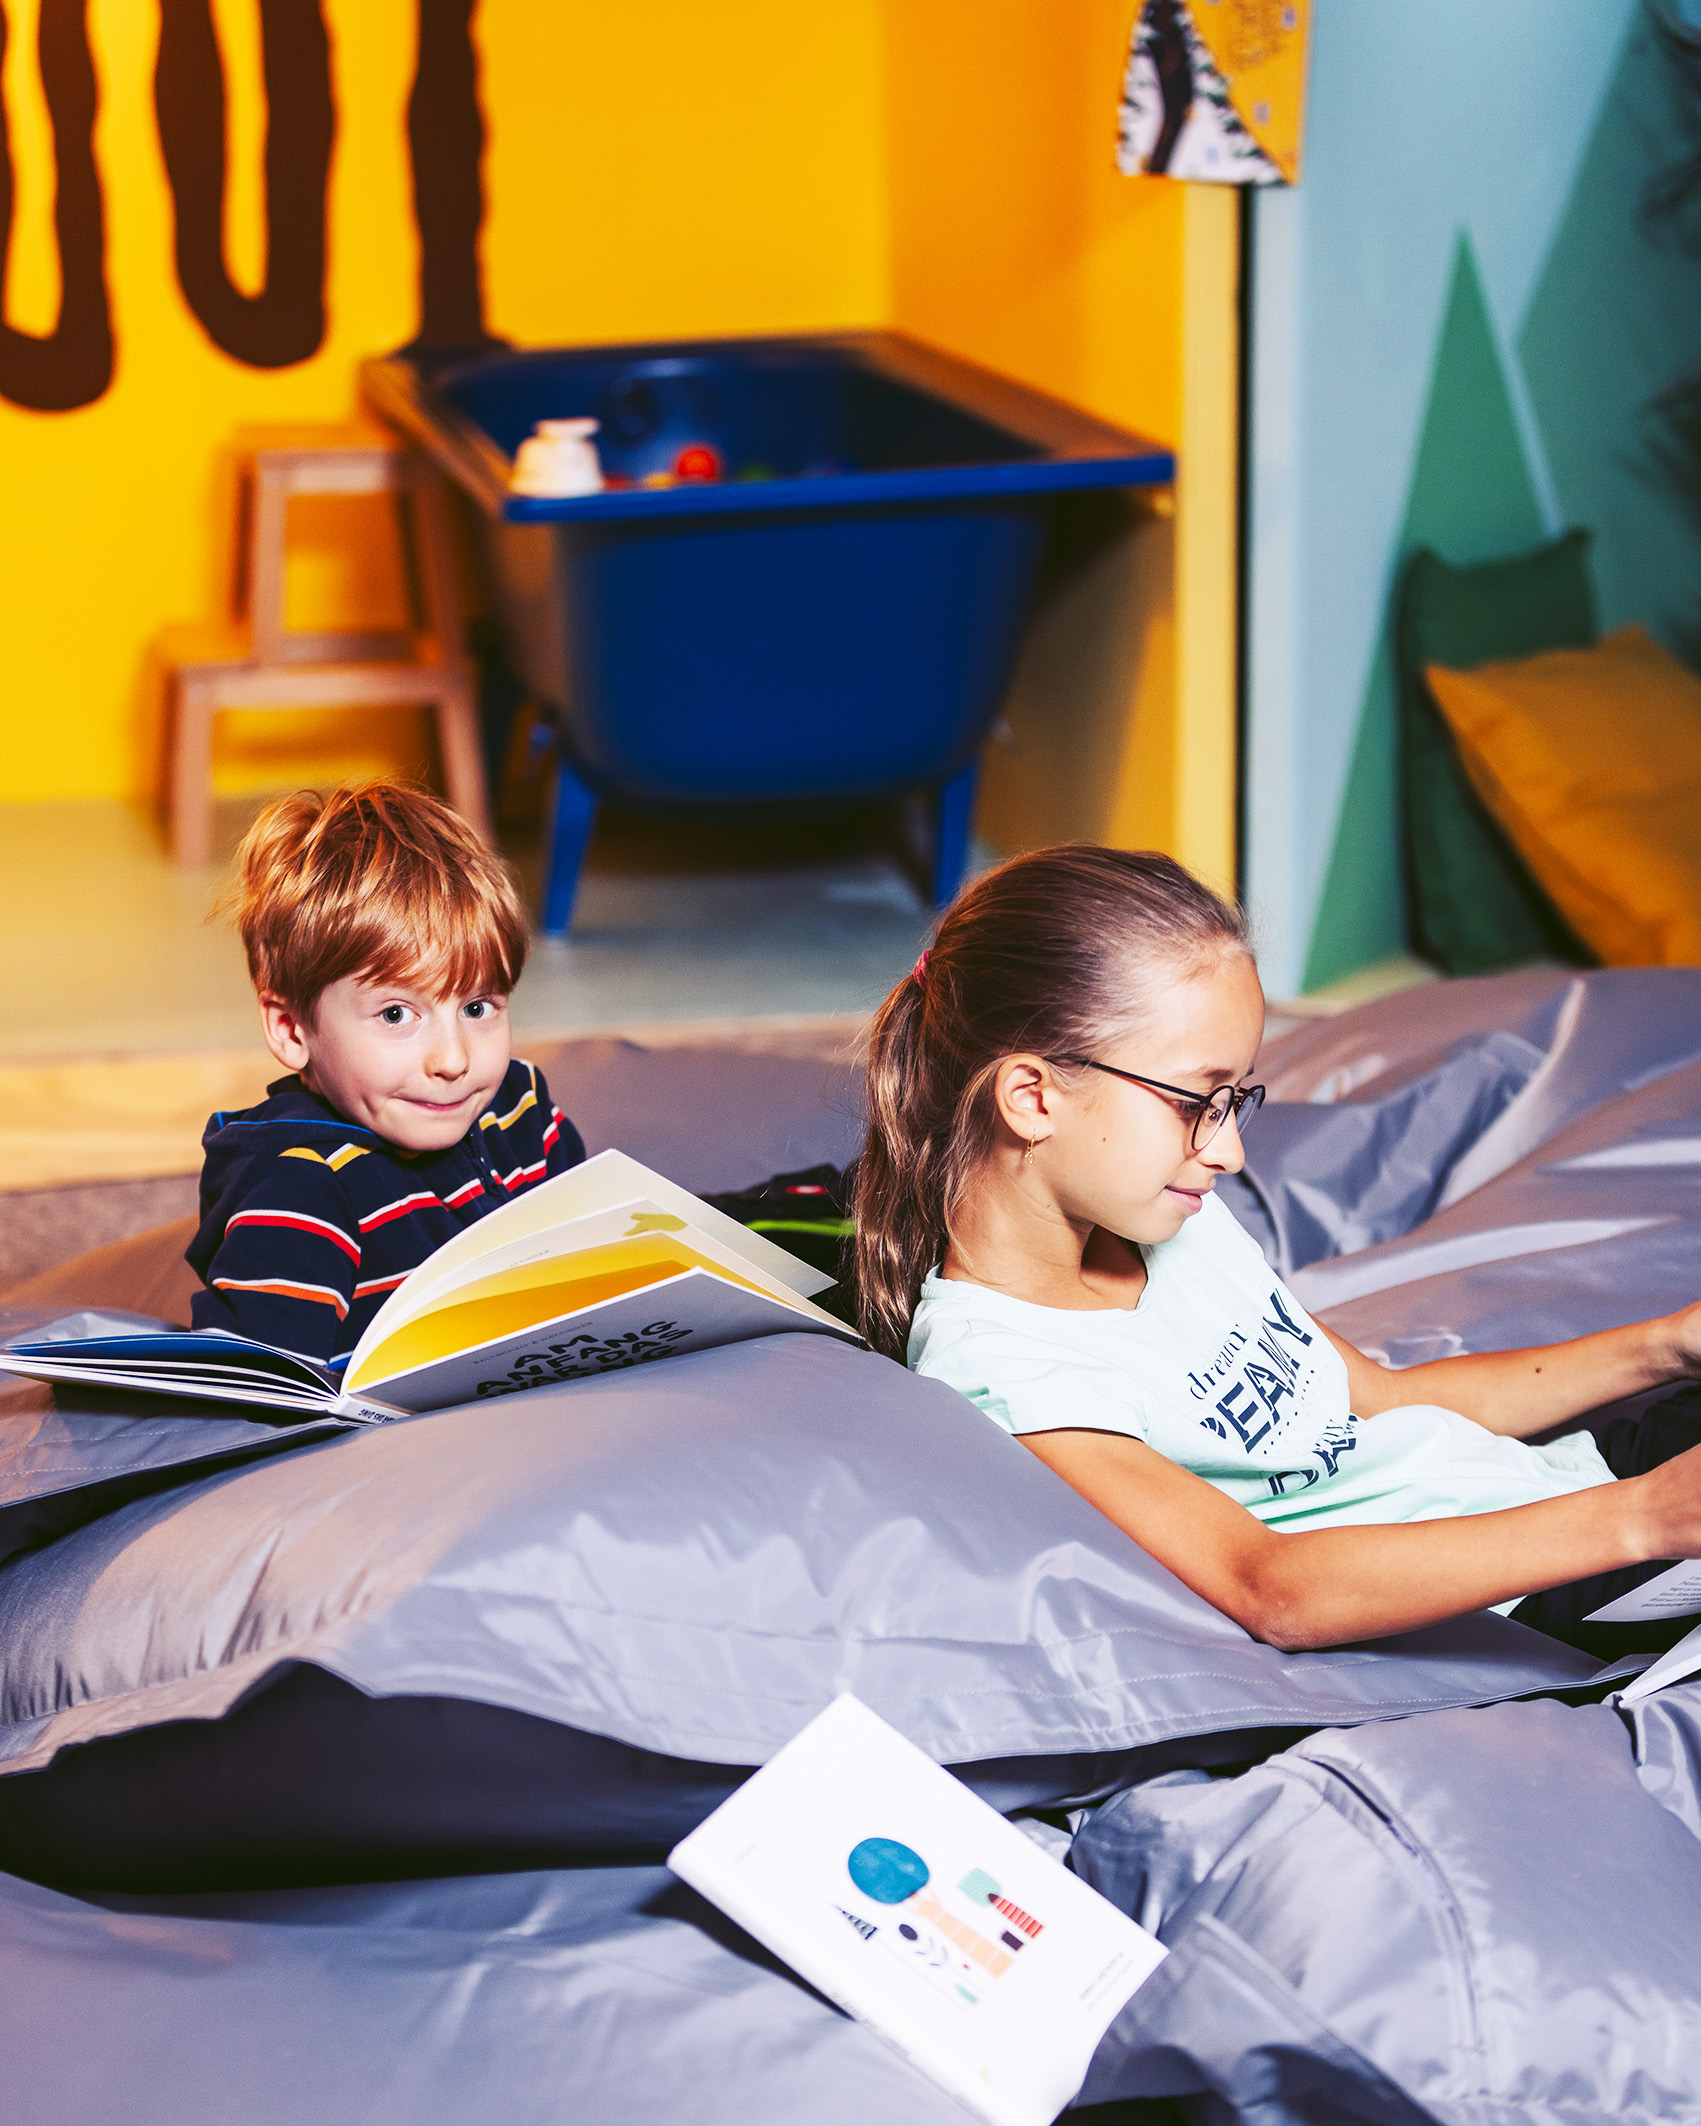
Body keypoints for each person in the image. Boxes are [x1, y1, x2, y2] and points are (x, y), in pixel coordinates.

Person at [854, 844, 1701, 1656]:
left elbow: (1385, 1401)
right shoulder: (1004, 1367)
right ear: (1033, 1098)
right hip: (1533, 1583)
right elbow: (1269, 1585)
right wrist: (1642, 1520)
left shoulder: (1173, 1223)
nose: (1228, 1152)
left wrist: (1664, 1346)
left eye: (1235, 1101)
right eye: (1197, 1101)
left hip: (1570, 1483)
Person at [188, 783, 584, 1368]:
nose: (453, 1060)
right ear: (292, 1030)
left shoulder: (520, 1104)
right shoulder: (301, 1189)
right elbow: (263, 1389)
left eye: (478, 1008)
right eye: (397, 1015)